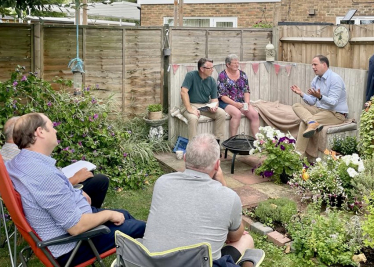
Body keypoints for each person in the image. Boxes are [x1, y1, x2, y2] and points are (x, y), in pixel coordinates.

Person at [5, 113, 146, 266]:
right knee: (142, 228)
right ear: (40, 132)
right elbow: (76, 227)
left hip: (69, 229)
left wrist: (77, 192)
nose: (56, 131)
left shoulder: (18, 163)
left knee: (124, 215)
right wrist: (108, 214)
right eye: (52, 127)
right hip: (73, 246)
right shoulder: (44, 175)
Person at [143, 133, 264, 267]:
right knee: (246, 240)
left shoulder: (162, 182)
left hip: (152, 262)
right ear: (217, 165)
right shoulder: (228, 197)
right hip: (200, 263)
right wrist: (223, 184)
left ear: (184, 158)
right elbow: (234, 237)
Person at [0, 116, 108, 209]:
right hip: (47, 203)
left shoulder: (5, 154)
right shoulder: (23, 156)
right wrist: (76, 179)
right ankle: (93, 221)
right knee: (100, 181)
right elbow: (45, 188)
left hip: (33, 202)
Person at [290, 55, 348, 156]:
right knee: (296, 105)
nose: (313, 67)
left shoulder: (335, 79)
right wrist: (301, 93)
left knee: (304, 123)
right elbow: (312, 101)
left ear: (324, 65)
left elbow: (333, 102)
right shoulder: (315, 80)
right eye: (312, 65)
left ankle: (297, 155)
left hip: (336, 114)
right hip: (321, 110)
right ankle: (312, 122)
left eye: (315, 64)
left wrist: (320, 97)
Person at [181, 58, 226, 142]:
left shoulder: (212, 81)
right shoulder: (190, 75)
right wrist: (190, 109)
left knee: (222, 113)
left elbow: (214, 99)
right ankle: (193, 147)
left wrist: (214, 106)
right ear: (202, 69)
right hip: (189, 104)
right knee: (193, 118)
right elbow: (183, 92)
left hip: (204, 106)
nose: (213, 70)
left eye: (213, 67)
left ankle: (217, 143)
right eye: (210, 68)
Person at [218, 54, 260, 137]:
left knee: (255, 115)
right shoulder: (222, 76)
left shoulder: (243, 74)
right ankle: (232, 140)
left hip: (241, 102)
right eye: (234, 63)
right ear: (228, 64)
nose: (237, 65)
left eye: (238, 63)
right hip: (226, 102)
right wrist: (235, 104)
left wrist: (247, 103)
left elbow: (246, 90)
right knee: (237, 113)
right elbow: (222, 96)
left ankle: (258, 141)